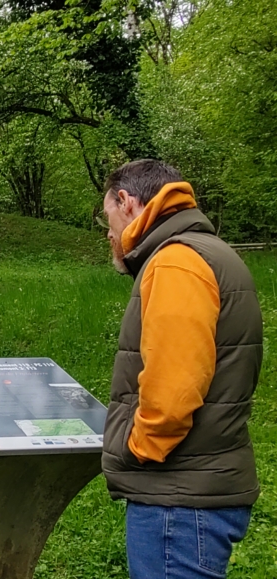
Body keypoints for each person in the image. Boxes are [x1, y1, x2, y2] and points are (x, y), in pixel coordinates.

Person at [99, 159, 262, 579]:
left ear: (126, 201)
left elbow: (174, 390)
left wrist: (139, 449)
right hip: (192, 494)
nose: (110, 234)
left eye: (109, 219)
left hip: (178, 501)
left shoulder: (176, 261)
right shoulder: (198, 250)